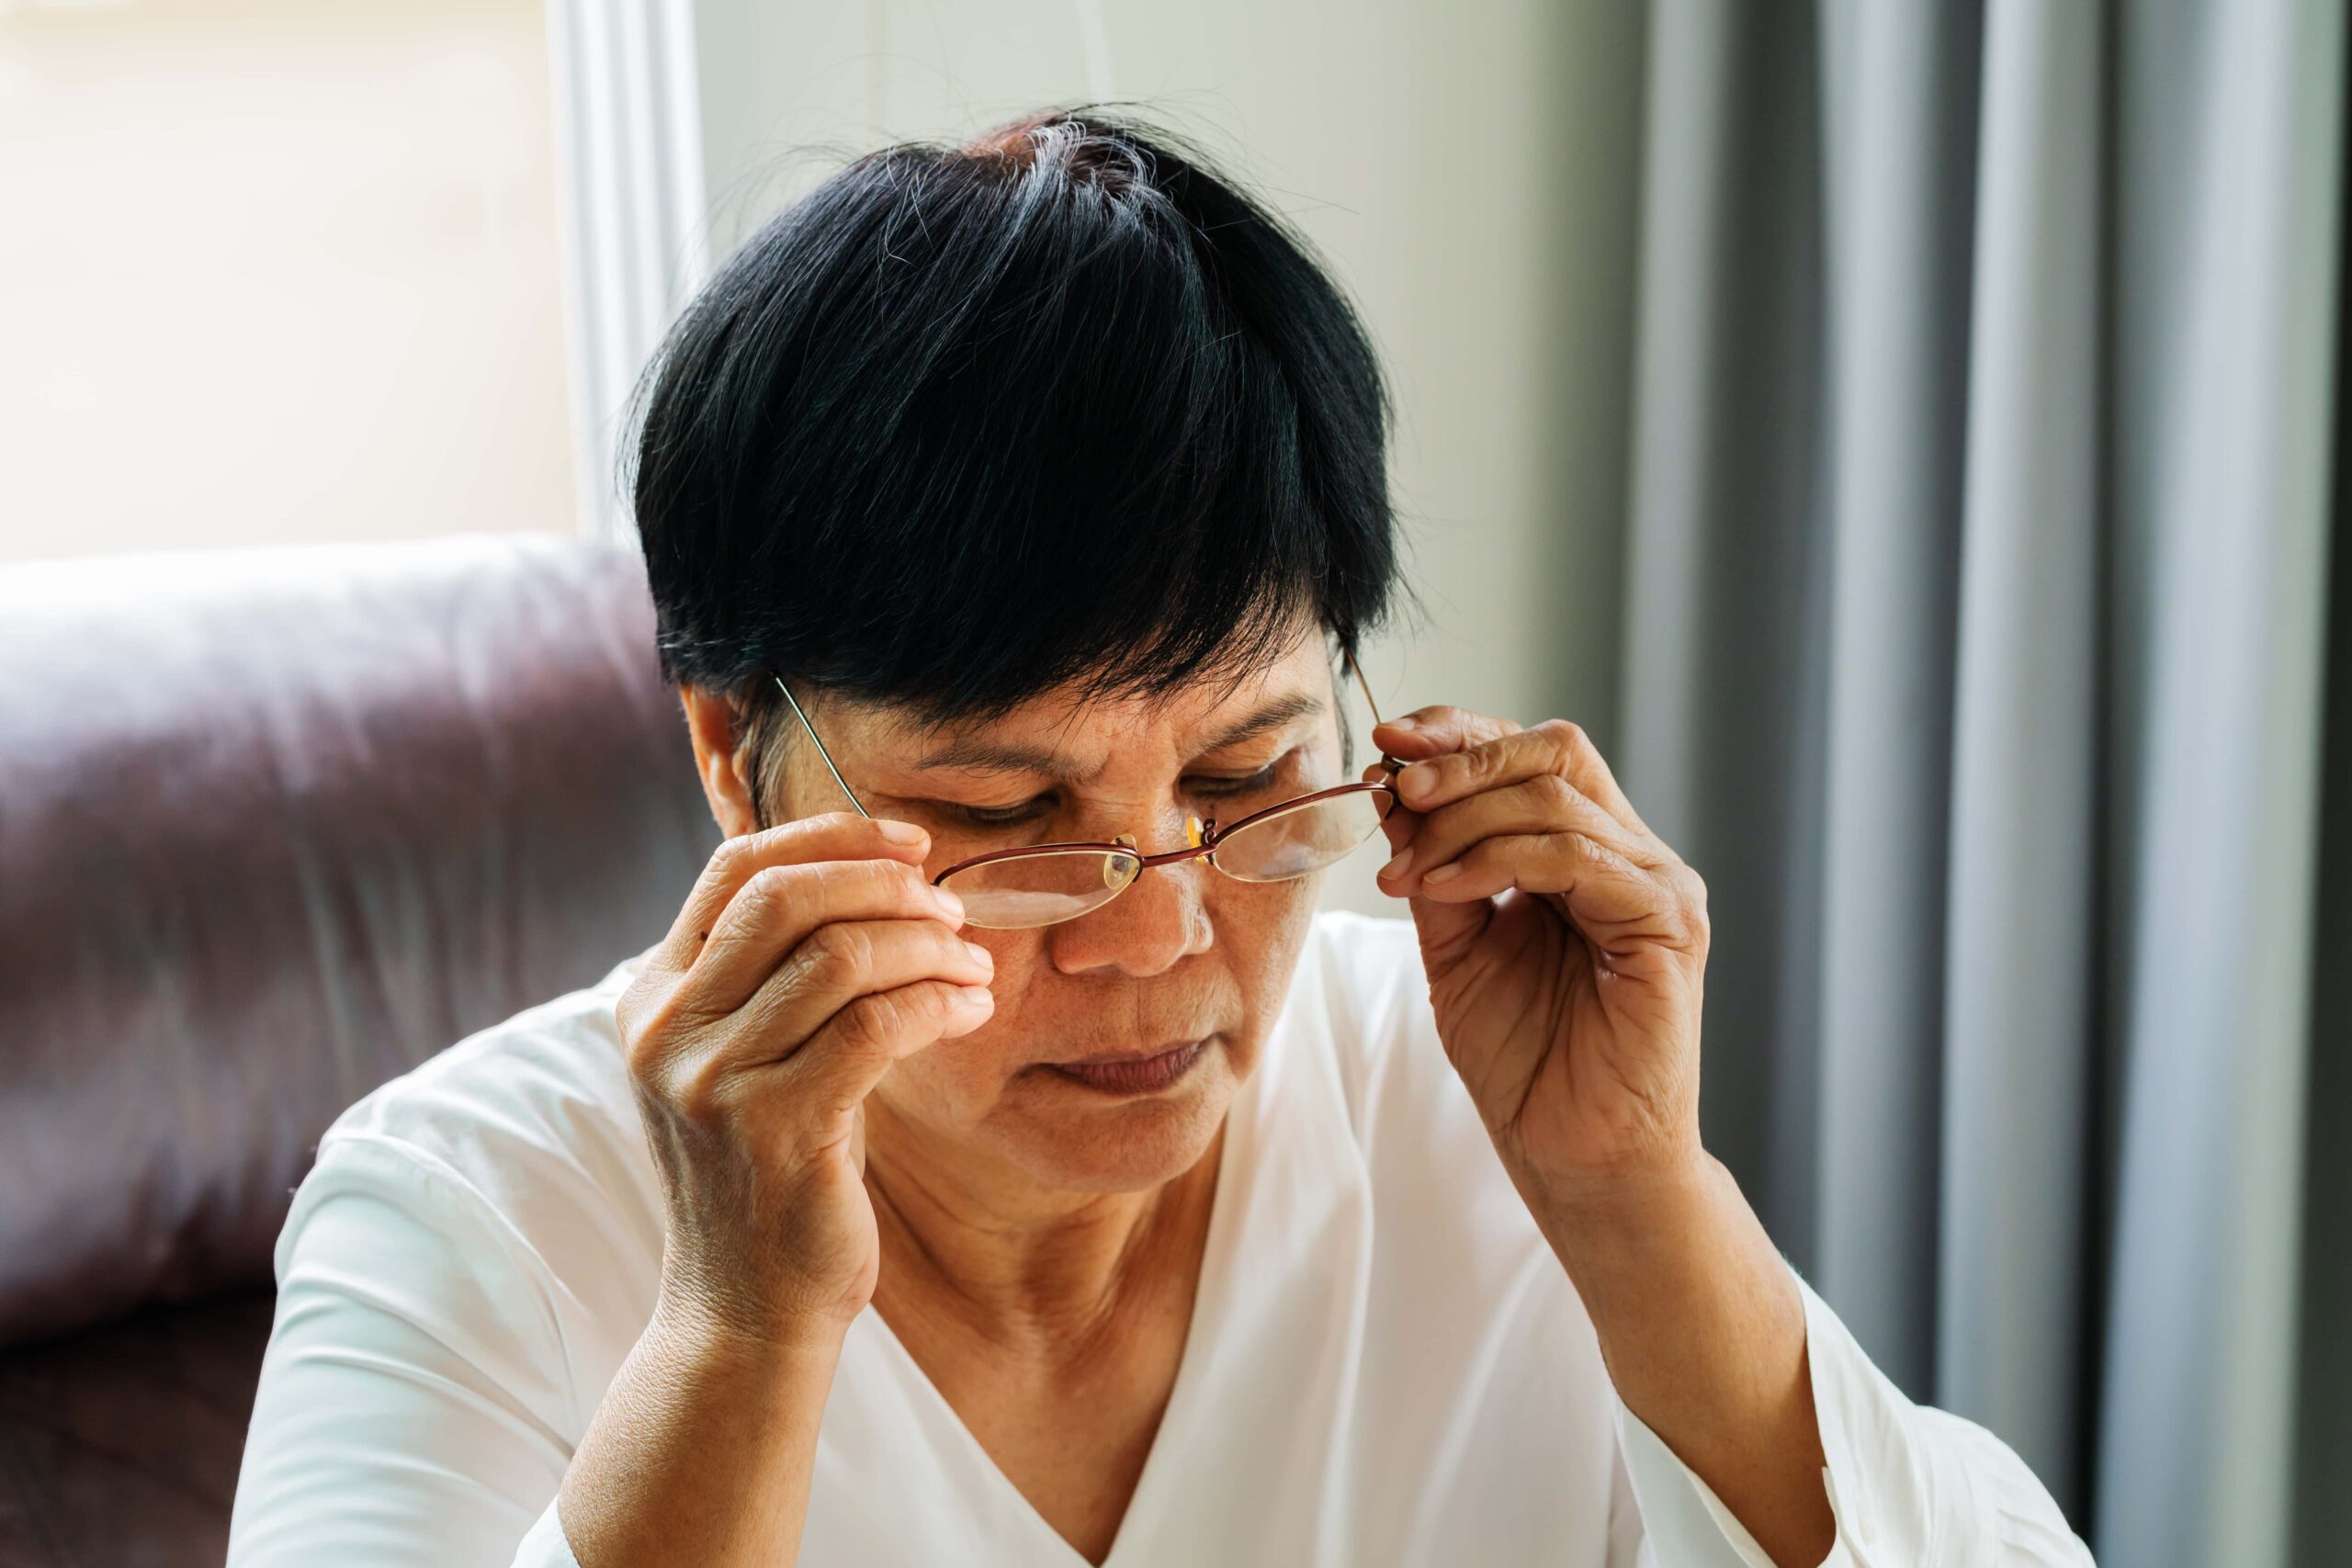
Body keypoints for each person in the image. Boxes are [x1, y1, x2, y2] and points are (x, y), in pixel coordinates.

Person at [226, 110, 2093, 1567]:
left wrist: (1635, 1196)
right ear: (738, 758)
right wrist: (739, 1329)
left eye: (1237, 782)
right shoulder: (465, 1220)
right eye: (1005, 812)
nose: (1153, 934)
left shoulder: (1464, 1093)